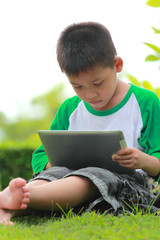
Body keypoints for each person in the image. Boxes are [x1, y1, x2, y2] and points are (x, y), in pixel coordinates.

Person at [0, 22, 160, 225]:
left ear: (117, 65)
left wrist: (142, 160)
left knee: (92, 176)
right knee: (53, 174)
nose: (89, 94)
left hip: (128, 183)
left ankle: (20, 197)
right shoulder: (69, 108)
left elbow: (158, 159)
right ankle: (6, 208)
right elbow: (41, 155)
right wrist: (56, 162)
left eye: (97, 83)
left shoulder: (145, 102)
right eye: (77, 86)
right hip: (69, 177)